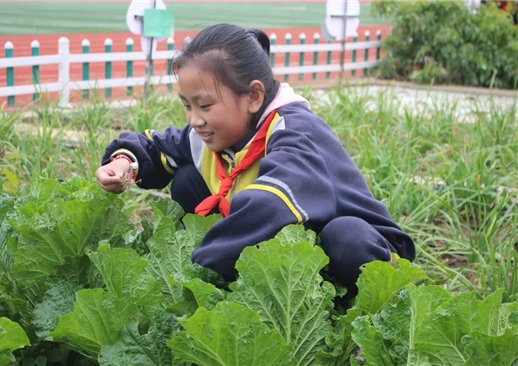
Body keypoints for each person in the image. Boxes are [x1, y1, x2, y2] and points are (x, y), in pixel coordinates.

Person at [95, 23, 415, 300]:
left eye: (205, 105)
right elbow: (160, 147)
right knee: (188, 180)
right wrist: (125, 162)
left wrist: (199, 269)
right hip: (296, 245)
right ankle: (270, 287)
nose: (194, 119)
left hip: (358, 243)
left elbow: (273, 206)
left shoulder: (297, 130)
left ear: (253, 97)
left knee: (346, 238)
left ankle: (371, 304)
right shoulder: (213, 131)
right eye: (187, 106)